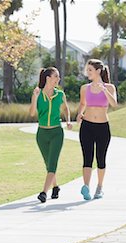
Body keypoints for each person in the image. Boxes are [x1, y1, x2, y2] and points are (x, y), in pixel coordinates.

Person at [29, 67, 72, 203]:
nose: (58, 79)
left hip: (56, 133)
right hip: (42, 134)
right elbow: (31, 113)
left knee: (52, 164)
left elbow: (65, 108)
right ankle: (55, 187)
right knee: (48, 164)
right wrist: (35, 98)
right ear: (48, 78)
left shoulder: (60, 94)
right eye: (56, 76)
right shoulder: (38, 94)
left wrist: (68, 121)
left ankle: (43, 192)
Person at [77, 59, 118, 200]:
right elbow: (83, 103)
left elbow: (114, 104)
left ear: (98, 71)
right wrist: (79, 113)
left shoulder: (110, 87)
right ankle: (86, 187)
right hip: (86, 126)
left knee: (101, 158)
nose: (87, 72)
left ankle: (99, 188)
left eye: (90, 70)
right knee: (87, 158)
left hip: (102, 127)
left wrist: (104, 90)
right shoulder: (84, 88)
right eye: (87, 70)